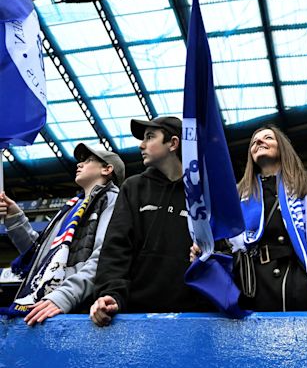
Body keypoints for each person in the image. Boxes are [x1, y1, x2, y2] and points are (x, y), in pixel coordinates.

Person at [90, 116, 212, 327]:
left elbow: (224, 248)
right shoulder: (133, 187)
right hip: (134, 318)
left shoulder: (204, 193)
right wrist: (112, 294)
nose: (141, 144)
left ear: (173, 143)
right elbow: (116, 248)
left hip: (195, 318)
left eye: (149, 137)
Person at [212, 125, 307, 311]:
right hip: (250, 287)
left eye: (268, 138)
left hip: (296, 287)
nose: (259, 142)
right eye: (254, 141)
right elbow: (225, 244)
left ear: (282, 147)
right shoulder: (238, 194)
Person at [0, 144, 124, 325]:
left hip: (75, 307)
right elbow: (40, 257)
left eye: (88, 160)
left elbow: (104, 256)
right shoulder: (70, 208)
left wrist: (64, 296)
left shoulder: (114, 200)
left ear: (107, 169)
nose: (79, 165)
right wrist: (15, 218)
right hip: (44, 305)